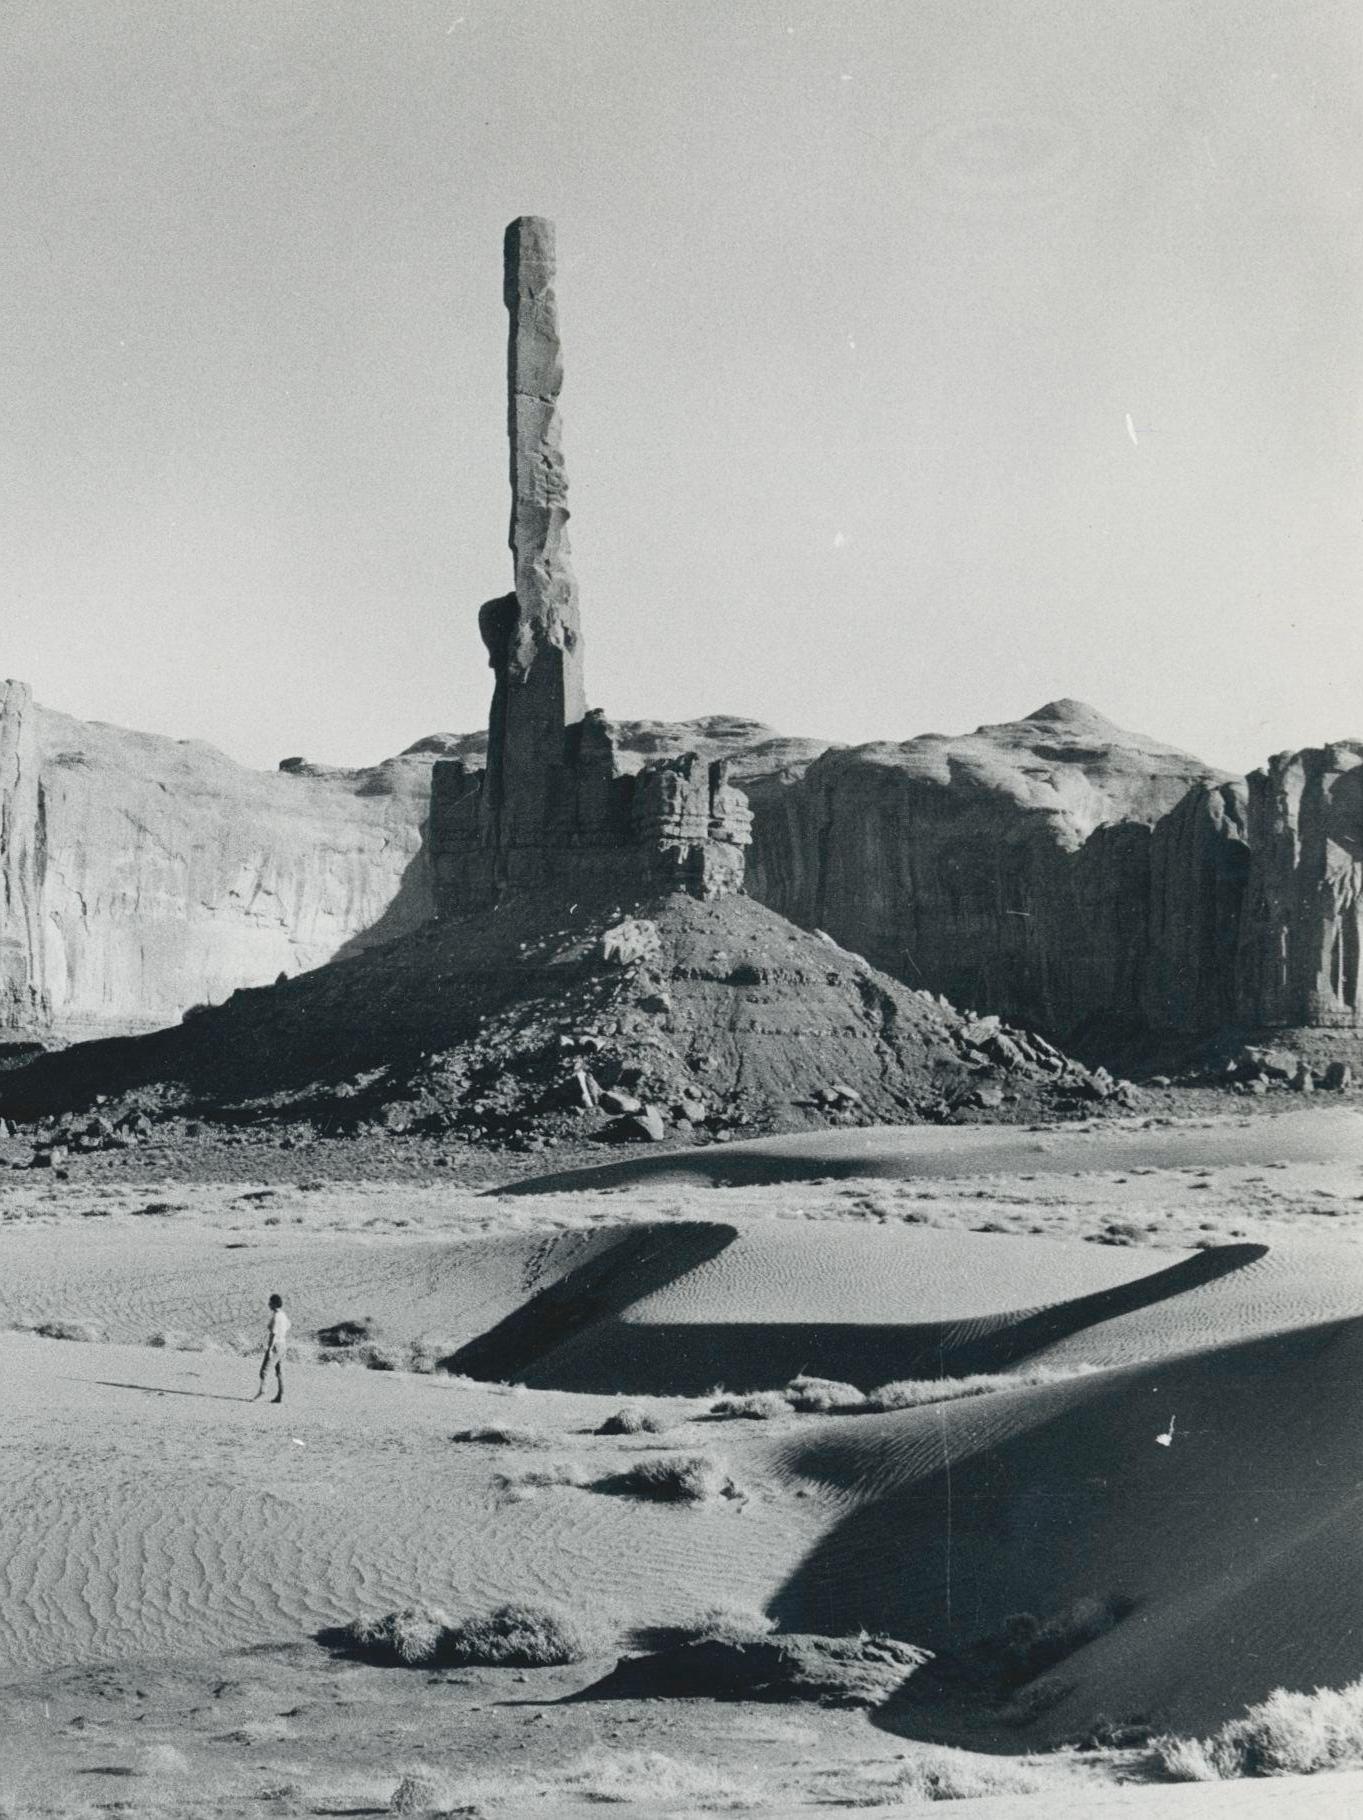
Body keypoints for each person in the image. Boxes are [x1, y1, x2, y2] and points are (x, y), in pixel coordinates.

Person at [253, 1293, 289, 1404]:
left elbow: (273, 1334)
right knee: (280, 1371)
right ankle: (281, 1395)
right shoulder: (283, 1315)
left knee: (265, 1370)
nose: (268, 1304)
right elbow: (288, 1325)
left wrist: (269, 1349)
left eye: (270, 1302)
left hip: (276, 1345)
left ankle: (262, 1393)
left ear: (273, 1304)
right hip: (283, 1344)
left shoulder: (276, 1317)